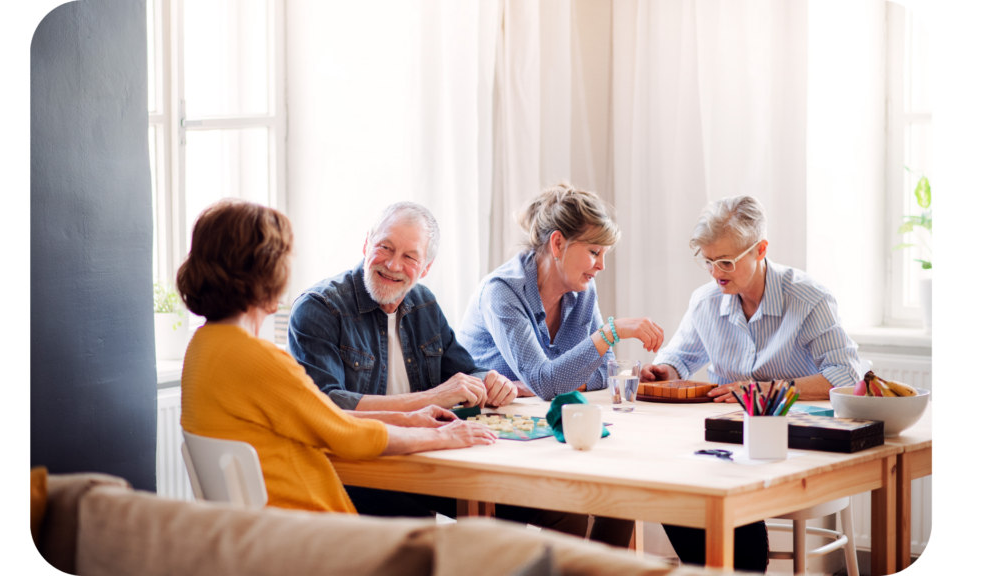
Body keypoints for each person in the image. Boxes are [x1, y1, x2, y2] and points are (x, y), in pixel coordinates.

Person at [288, 202, 593, 541]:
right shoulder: (319, 308)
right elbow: (329, 405)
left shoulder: (423, 303)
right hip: (358, 468)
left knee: (564, 509)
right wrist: (436, 396)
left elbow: (465, 371)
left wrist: (490, 382)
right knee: (432, 529)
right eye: (385, 248)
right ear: (366, 244)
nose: (392, 265)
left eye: (409, 257)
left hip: (426, 455)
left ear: (426, 266)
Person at [179, 200, 496, 515]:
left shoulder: (202, 346)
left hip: (264, 527)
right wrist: (442, 436)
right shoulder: (260, 361)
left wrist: (409, 419)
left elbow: (324, 421)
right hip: (311, 525)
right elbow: (344, 434)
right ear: (267, 274)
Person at [644, 195, 861, 572]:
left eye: (726, 261)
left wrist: (768, 391)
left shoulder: (808, 299)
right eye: (708, 261)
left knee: (722, 488)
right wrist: (663, 371)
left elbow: (847, 378)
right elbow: (679, 358)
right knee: (669, 483)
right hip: (725, 441)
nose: (716, 273)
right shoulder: (706, 302)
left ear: (760, 249)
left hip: (794, 444)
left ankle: (738, 567)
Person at [457, 183, 665, 547]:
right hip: (494, 439)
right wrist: (612, 332)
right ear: (557, 244)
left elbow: (603, 373)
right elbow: (546, 381)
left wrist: (563, 376)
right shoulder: (503, 292)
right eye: (594, 252)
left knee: (621, 495)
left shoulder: (582, 291)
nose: (601, 265)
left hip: (543, 430)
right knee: (572, 507)